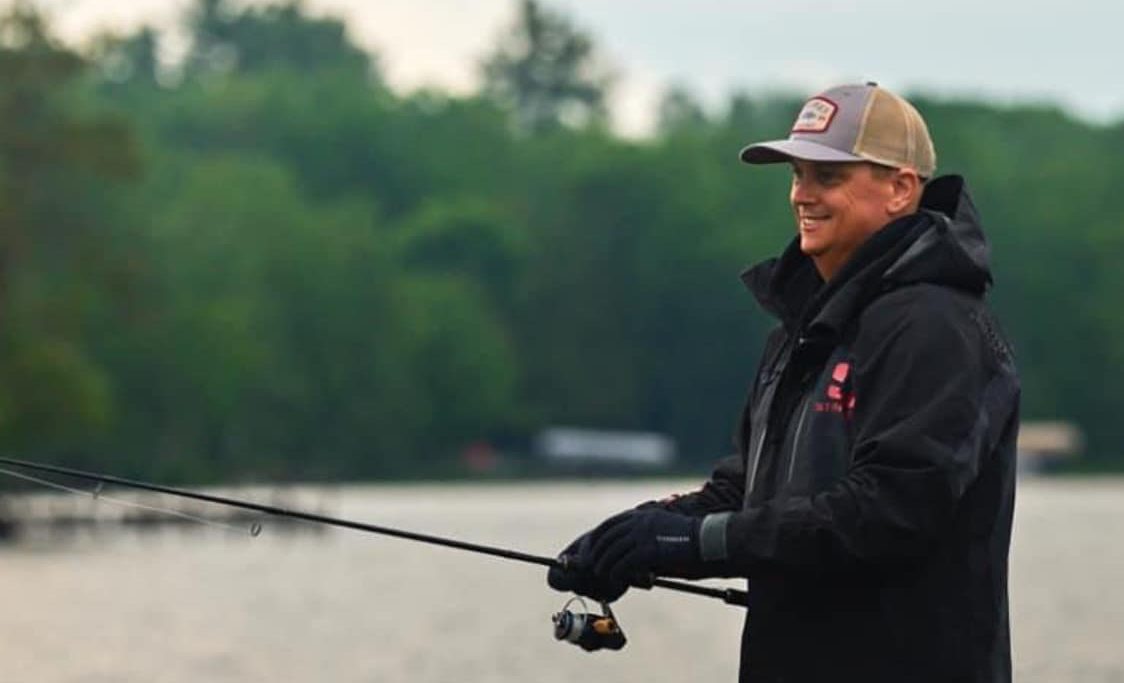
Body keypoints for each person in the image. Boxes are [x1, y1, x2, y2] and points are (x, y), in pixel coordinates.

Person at [547, 82, 1020, 683]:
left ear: (901, 188)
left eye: (829, 177)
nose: (802, 194)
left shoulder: (937, 327)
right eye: (797, 175)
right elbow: (744, 496)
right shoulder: (800, 334)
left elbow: (888, 512)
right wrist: (634, 536)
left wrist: (695, 544)